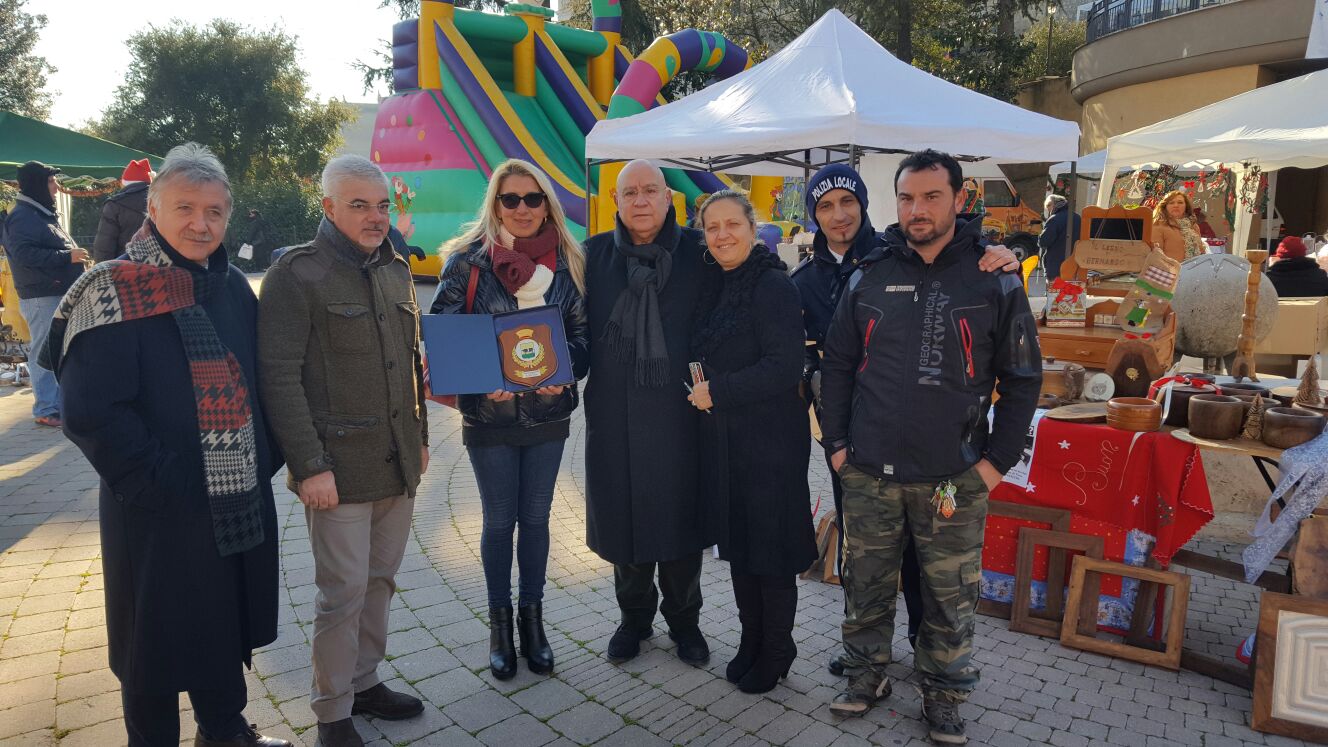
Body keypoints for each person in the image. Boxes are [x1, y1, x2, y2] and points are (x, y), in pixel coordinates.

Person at [46, 143, 288, 747]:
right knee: (150, 644)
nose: (200, 223)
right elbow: (93, 413)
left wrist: (263, 459)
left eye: (215, 211)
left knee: (221, 623)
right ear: (153, 208)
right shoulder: (111, 290)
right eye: (185, 207)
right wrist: (172, 483)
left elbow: (260, 378)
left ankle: (225, 731)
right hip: (155, 508)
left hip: (232, 500)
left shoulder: (231, 285)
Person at [820, 149, 1041, 744]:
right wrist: (838, 446)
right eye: (908, 198)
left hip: (953, 476)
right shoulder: (868, 274)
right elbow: (837, 366)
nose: (918, 210)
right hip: (868, 471)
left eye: (931, 196)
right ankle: (866, 676)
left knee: (948, 597)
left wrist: (996, 464)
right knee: (864, 585)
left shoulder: (994, 278)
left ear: (959, 199)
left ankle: (944, 695)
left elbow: (1022, 380)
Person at [257, 155, 429, 747]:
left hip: (397, 461)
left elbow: (412, 363)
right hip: (336, 471)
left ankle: (364, 682)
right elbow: (278, 377)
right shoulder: (295, 275)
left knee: (381, 580)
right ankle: (332, 713)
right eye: (359, 205)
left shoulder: (395, 270)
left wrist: (422, 438)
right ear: (327, 207)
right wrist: (309, 466)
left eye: (382, 205)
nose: (374, 216)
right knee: (342, 593)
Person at [429, 159, 589, 680]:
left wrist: (568, 372)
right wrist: (478, 380)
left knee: (538, 521)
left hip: (548, 415)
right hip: (490, 417)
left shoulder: (568, 263)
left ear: (547, 203)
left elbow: (583, 338)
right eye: (510, 199)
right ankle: (499, 627)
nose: (522, 209)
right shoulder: (466, 264)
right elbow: (443, 343)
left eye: (532, 198)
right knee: (500, 522)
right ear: (495, 204)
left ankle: (533, 623)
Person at [582, 160, 714, 666]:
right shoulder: (592, 256)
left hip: (683, 414)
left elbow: (750, 276)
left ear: (668, 199)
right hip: (615, 415)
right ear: (615, 202)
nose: (640, 200)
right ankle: (633, 620)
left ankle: (686, 624)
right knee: (626, 524)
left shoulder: (700, 254)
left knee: (681, 525)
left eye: (650, 190)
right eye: (630, 192)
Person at [685, 190, 817, 694]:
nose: (721, 235)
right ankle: (751, 640)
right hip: (728, 439)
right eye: (711, 227)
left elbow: (783, 367)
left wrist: (717, 390)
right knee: (740, 545)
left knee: (770, 546)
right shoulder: (717, 284)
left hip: (770, 441)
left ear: (751, 225)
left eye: (731, 224)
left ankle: (778, 647)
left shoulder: (771, 286)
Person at [4, 161, 86, 427]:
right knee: (44, 351)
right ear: (38, 184)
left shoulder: (39, 213)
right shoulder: (24, 216)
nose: (57, 188)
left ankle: (56, 404)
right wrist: (68, 256)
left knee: (56, 350)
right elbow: (25, 255)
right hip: (42, 296)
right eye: (51, 182)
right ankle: (46, 408)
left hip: (53, 291)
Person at [92, 159, 152, 262]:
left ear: (125, 183)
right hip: (158, 267)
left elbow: (104, 247)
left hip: (123, 269)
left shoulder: (114, 205)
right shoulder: (162, 202)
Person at [1037, 193, 1081, 280]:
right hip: (1075, 264)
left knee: (1056, 292)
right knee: (1072, 291)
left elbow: (1044, 242)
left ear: (1052, 205)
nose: (1049, 212)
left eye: (1048, 208)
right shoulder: (1078, 218)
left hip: (1056, 266)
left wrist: (1040, 235)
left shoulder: (1054, 219)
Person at [1152, 190, 1205, 262]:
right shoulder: (1158, 226)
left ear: (1186, 206)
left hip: (1195, 270)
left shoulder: (1193, 226)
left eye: (1180, 202)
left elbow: (1201, 252)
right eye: (1171, 203)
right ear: (1165, 207)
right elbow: (1156, 256)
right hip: (1170, 271)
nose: (1176, 205)